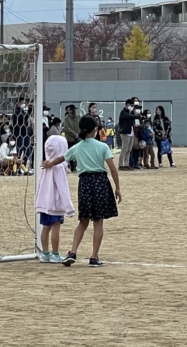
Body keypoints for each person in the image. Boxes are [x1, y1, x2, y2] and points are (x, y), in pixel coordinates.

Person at [43, 115, 122, 267]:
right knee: (98, 222)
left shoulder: (77, 147)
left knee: (83, 221)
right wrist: (117, 188)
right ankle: (94, 256)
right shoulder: (102, 147)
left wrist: (49, 163)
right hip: (100, 183)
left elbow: (62, 158)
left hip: (84, 184)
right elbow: (113, 169)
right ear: (95, 130)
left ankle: (72, 251)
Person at [35, 135, 75, 263]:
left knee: (45, 227)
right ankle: (55, 254)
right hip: (55, 203)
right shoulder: (59, 167)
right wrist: (68, 207)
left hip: (45, 202)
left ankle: (45, 253)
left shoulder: (46, 165)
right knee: (56, 227)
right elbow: (63, 188)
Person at [118, 99, 138, 171]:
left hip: (131, 133)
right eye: (131, 105)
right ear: (127, 104)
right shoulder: (123, 112)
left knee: (129, 150)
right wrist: (136, 116)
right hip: (125, 133)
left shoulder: (130, 112)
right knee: (124, 149)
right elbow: (128, 117)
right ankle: (120, 165)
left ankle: (126, 164)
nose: (132, 107)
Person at [63, 105, 80, 173]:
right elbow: (67, 128)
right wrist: (75, 134)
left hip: (78, 138)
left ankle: (77, 167)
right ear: (69, 110)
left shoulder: (78, 117)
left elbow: (80, 125)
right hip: (70, 138)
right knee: (71, 153)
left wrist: (78, 134)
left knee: (78, 153)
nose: (74, 111)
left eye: (74, 109)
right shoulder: (66, 119)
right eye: (72, 109)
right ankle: (72, 167)